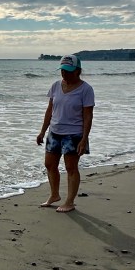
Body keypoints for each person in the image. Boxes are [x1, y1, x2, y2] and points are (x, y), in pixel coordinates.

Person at [36, 54, 95, 213]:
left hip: (74, 134)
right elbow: (50, 110)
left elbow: (88, 116)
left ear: (77, 71)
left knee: (71, 167)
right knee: (49, 164)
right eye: (62, 70)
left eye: (68, 70)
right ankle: (54, 195)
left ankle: (70, 201)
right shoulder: (55, 86)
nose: (64, 73)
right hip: (54, 131)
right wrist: (42, 131)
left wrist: (84, 139)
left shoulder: (86, 89)